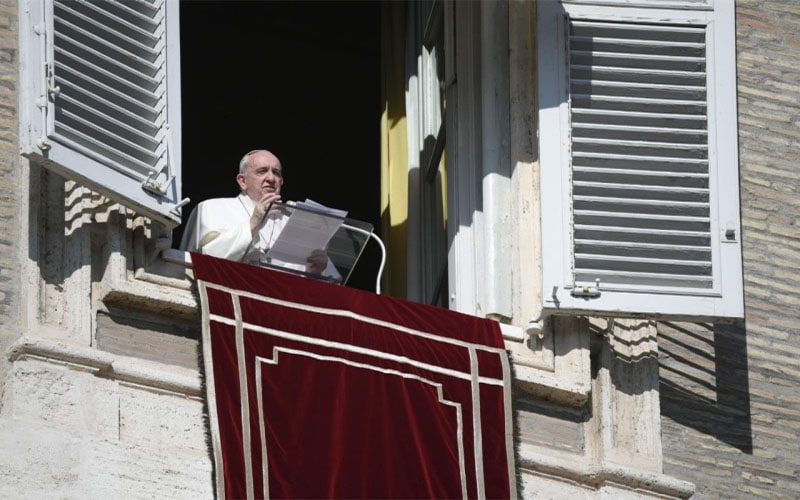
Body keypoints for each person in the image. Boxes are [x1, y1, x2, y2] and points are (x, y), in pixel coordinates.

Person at [180, 149, 335, 277]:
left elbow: (327, 284)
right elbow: (205, 261)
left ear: (281, 182)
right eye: (262, 171)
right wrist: (253, 223)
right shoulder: (212, 208)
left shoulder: (294, 222)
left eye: (276, 173)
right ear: (242, 181)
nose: (271, 178)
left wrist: (314, 271)